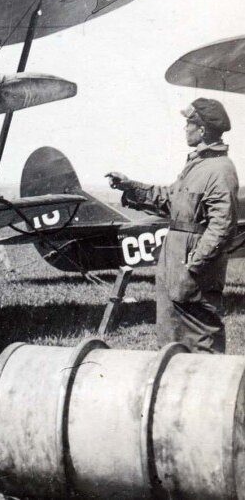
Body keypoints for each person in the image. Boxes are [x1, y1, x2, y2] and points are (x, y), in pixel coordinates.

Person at [107, 98, 239, 353]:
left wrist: (195, 264)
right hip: (175, 270)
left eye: (189, 124)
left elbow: (222, 226)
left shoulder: (220, 169)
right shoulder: (198, 166)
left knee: (202, 343)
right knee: (171, 344)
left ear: (202, 130)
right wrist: (130, 187)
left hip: (193, 274)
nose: (185, 129)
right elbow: (169, 199)